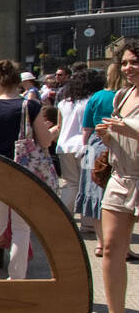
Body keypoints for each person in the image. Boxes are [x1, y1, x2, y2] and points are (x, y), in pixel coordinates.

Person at [0, 61, 52, 279]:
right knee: (21, 228)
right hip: (21, 173)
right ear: (18, 83)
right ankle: (16, 278)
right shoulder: (30, 106)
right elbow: (44, 141)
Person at [91, 40, 139, 313]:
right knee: (110, 248)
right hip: (121, 178)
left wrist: (127, 129)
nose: (128, 68)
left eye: (134, 62)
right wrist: (107, 135)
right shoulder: (122, 95)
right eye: (124, 63)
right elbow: (119, 140)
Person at [80, 64, 124, 256]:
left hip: (94, 145)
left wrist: (86, 150)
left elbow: (86, 128)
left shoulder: (97, 97)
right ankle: (122, 245)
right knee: (117, 195)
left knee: (93, 190)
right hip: (120, 144)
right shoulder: (126, 96)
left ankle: (100, 242)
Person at [53, 69, 94, 222]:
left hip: (64, 146)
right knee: (88, 184)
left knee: (70, 184)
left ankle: (62, 218)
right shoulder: (91, 100)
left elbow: (59, 126)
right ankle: (88, 222)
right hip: (87, 147)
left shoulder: (63, 103)